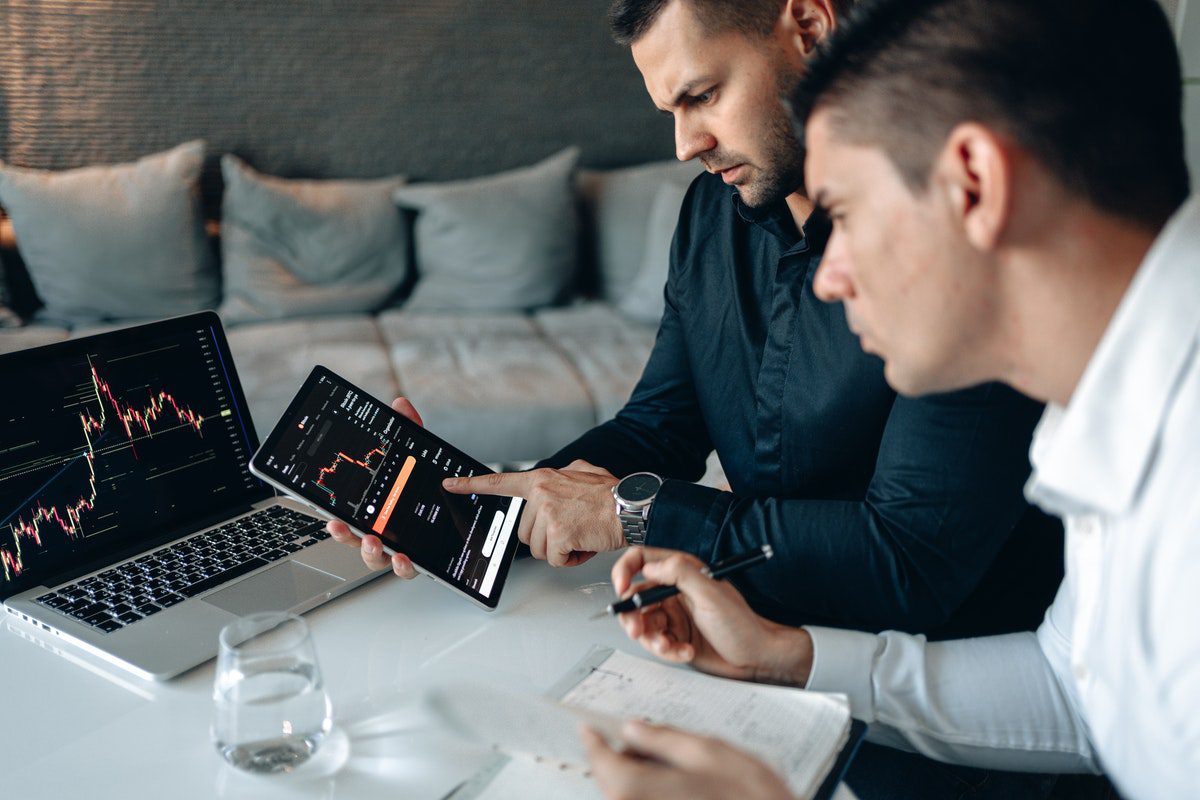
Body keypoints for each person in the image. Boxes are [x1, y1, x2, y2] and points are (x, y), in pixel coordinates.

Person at [583, 0, 1197, 798]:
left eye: (843, 212)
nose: (827, 276)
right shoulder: (1106, 405)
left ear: (974, 183)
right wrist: (787, 656)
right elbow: (1080, 691)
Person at [333, 0, 1062, 644]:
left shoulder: (958, 236)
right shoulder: (714, 213)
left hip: (935, 699)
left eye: (703, 95)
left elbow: (909, 565)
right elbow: (660, 429)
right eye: (671, 111)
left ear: (808, 26)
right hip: (743, 636)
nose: (686, 145)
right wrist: (469, 509)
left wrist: (636, 514)